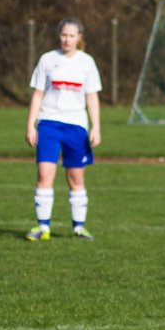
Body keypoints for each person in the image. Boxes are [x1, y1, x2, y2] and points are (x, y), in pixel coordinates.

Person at [25, 18, 102, 241]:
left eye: (71, 35)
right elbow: (38, 93)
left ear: (79, 38)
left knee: (76, 177)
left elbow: (92, 96)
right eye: (63, 35)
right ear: (59, 36)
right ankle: (43, 227)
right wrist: (31, 124)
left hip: (76, 126)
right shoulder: (48, 60)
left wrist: (96, 126)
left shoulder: (87, 63)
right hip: (49, 123)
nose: (66, 39)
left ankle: (79, 227)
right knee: (44, 173)